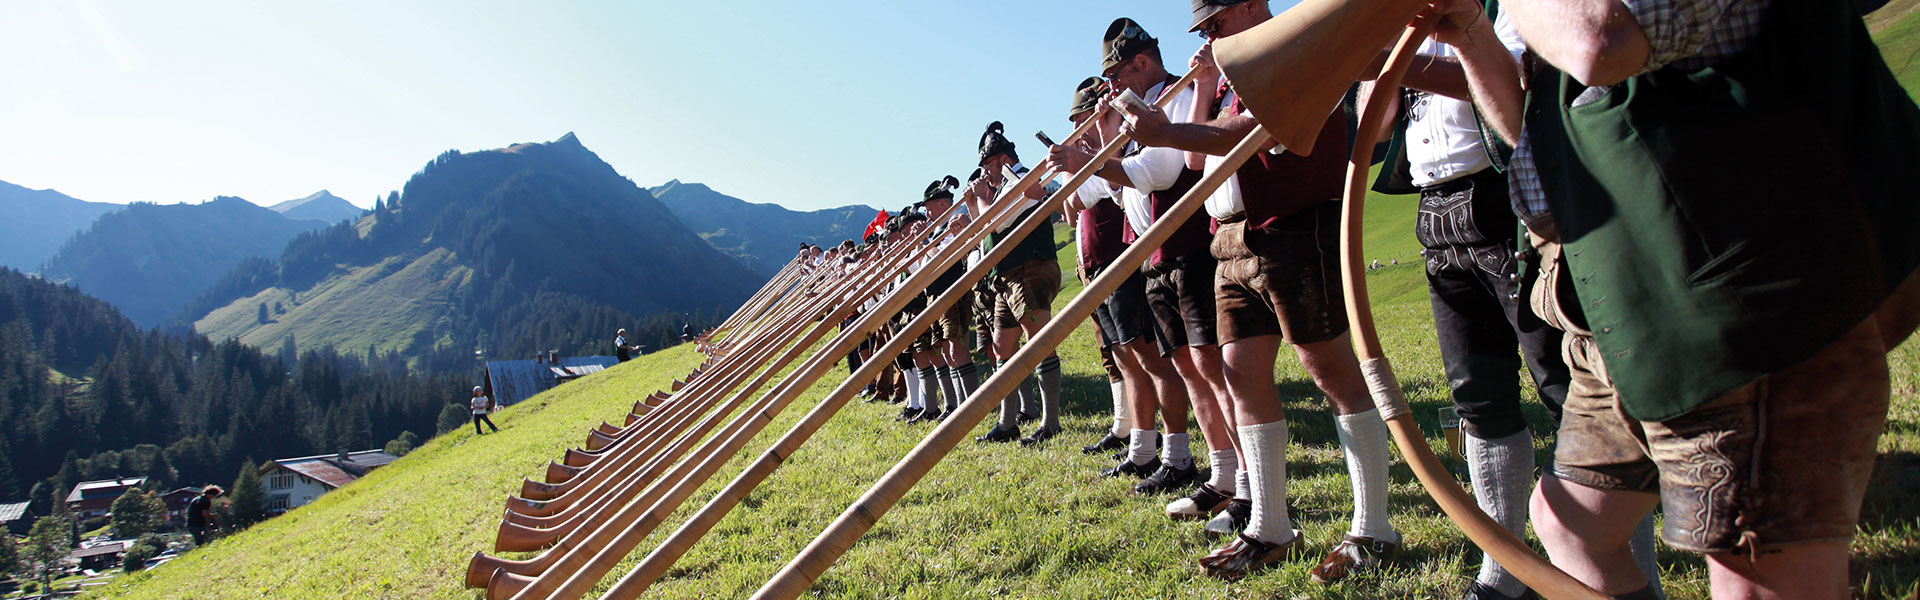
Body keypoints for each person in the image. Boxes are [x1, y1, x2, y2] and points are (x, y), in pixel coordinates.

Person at [1426, 0, 1920, 597]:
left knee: (1755, 579)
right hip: (1632, 309)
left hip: (1745, 309)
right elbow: (1547, 130)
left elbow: (1601, 41)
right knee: (1571, 525)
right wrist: (1474, 36)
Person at [1108, 0, 1405, 582]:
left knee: (1330, 370)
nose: (1210, 35)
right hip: (1234, 237)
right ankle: (1269, 525)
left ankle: (1374, 527)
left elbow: (1262, 129)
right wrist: (1202, 92)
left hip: (1296, 224)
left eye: (1216, 22)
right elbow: (1196, 158)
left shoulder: (1294, 45)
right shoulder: (1229, 74)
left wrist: (1167, 127)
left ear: (1253, 6)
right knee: (1241, 373)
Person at [1047, 19, 1237, 498]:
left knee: (1209, 368)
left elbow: (1158, 171)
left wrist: (1089, 161)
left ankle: (1235, 474)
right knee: (1190, 369)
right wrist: (1096, 157)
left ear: (1142, 62)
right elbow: (1109, 189)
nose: (1111, 86)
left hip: (1186, 246)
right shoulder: (1141, 113)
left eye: (1117, 72)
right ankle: (1218, 470)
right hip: (1153, 253)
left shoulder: (1172, 96)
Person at [965, 123, 1067, 446]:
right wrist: (975, 203)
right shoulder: (997, 189)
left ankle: (1050, 422)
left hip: (1031, 269)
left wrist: (982, 199)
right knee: (1001, 349)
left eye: (989, 165)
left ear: (1004, 159)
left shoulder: (1021, 179)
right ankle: (1008, 423)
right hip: (1006, 276)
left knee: (1038, 342)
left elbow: (996, 220)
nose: (986, 173)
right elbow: (984, 236)